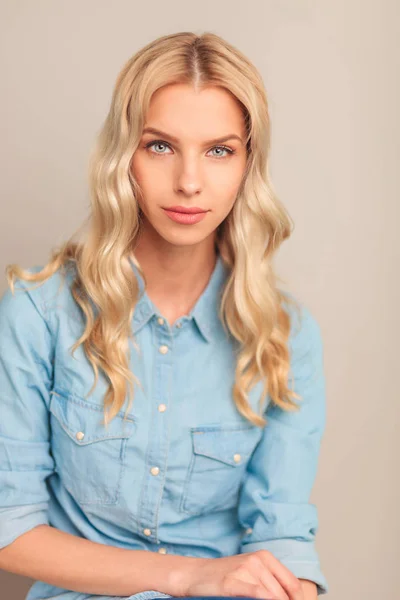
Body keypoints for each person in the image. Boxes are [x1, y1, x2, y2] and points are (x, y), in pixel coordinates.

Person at [0, 31, 328, 600]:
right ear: (122, 155)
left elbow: (283, 534)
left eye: (219, 150)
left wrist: (292, 587)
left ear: (248, 165)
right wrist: (187, 577)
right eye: (159, 146)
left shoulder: (285, 336)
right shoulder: (37, 315)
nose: (189, 181)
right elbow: (10, 529)